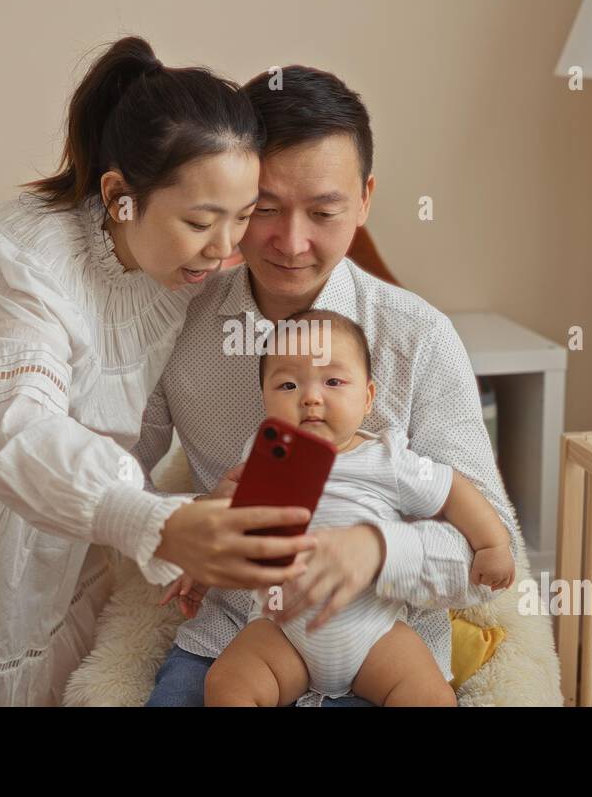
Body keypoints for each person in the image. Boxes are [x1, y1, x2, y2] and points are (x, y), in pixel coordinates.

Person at [0, 36, 316, 705]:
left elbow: (144, 410)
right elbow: (15, 427)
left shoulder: (183, 269)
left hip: (67, 530)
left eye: (242, 218)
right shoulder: (13, 263)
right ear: (119, 196)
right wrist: (157, 522)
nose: (225, 248)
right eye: (201, 221)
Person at [138, 66, 523, 707]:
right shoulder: (178, 323)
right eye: (264, 209)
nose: (292, 242)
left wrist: (379, 549)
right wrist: (182, 530)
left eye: (323, 211)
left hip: (385, 642)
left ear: (365, 198)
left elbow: (490, 563)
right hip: (239, 634)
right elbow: (109, 477)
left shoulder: (418, 338)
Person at [172, 311, 516, 706]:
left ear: (368, 397)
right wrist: (203, 568)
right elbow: (236, 529)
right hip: (281, 629)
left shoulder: (387, 459)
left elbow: (453, 489)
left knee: (429, 694)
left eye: (333, 381)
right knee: (227, 683)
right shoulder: (265, 457)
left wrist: (493, 544)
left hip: (373, 629)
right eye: (287, 384)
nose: (311, 397)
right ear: (264, 399)